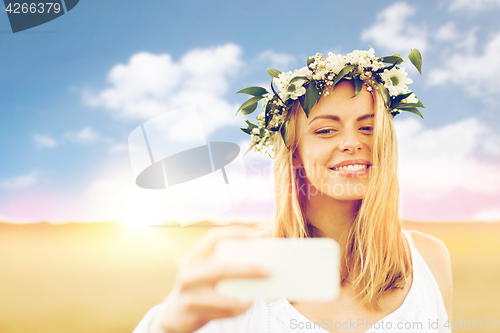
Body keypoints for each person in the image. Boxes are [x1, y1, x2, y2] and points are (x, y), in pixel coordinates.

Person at [133, 48, 453, 333]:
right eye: (326, 130)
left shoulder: (428, 259)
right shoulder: (247, 266)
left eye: (369, 127)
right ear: (295, 152)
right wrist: (168, 324)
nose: (352, 142)